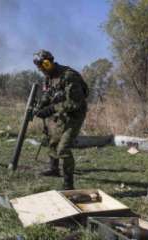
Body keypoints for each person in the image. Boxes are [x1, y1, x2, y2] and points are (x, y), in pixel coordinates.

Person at [33, 49, 88, 190]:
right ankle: (54, 169)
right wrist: (40, 106)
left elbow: (75, 103)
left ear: (49, 62)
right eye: (39, 68)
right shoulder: (48, 76)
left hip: (75, 114)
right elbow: (48, 94)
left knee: (63, 148)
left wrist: (50, 109)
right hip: (61, 112)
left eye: (42, 66)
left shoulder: (68, 76)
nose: (41, 70)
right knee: (52, 141)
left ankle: (68, 185)